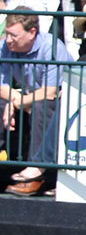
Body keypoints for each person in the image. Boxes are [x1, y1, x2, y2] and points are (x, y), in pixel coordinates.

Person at [0, 13, 71, 195]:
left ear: (32, 32)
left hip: (64, 102)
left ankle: (37, 172)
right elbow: (2, 86)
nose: (8, 40)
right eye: (7, 34)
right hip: (27, 97)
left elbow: (50, 91)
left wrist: (16, 102)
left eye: (13, 35)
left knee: (43, 106)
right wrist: (15, 100)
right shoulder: (4, 47)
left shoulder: (51, 47)